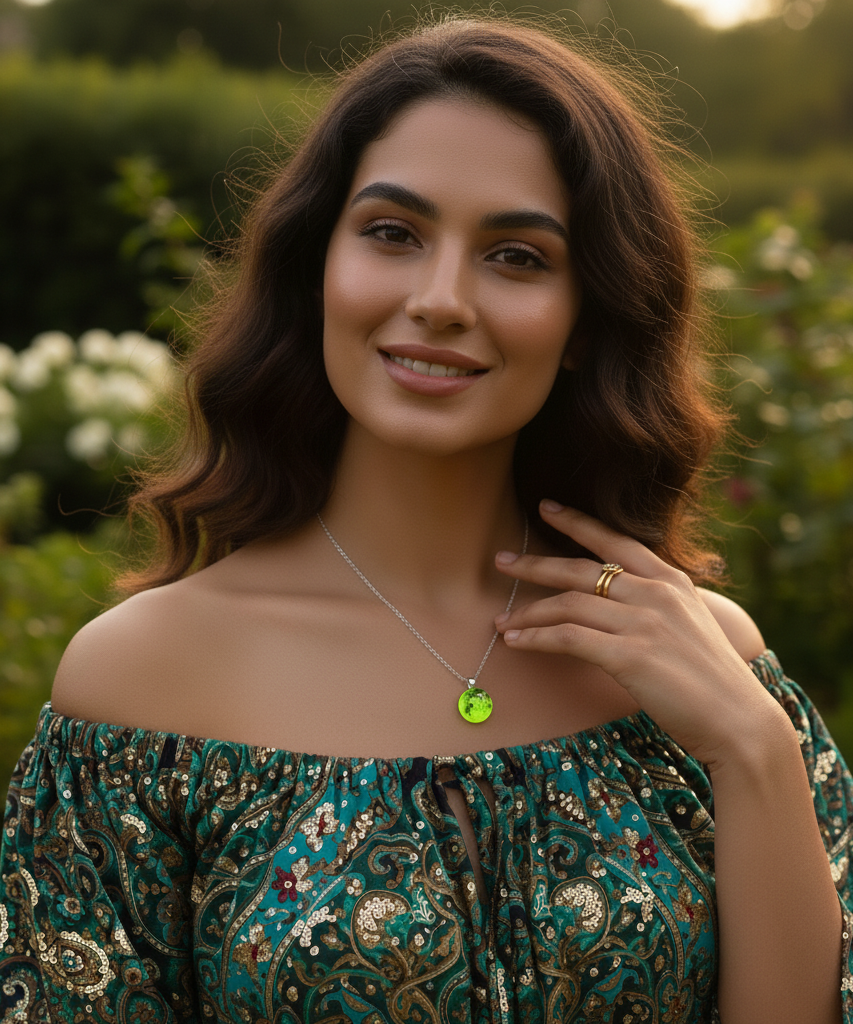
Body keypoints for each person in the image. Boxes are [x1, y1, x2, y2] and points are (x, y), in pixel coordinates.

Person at [0, 15, 850, 1023]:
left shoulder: (705, 666)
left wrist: (752, 749)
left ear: (588, 319)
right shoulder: (140, 687)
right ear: (320, 264)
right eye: (392, 234)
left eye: (518, 256)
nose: (441, 300)